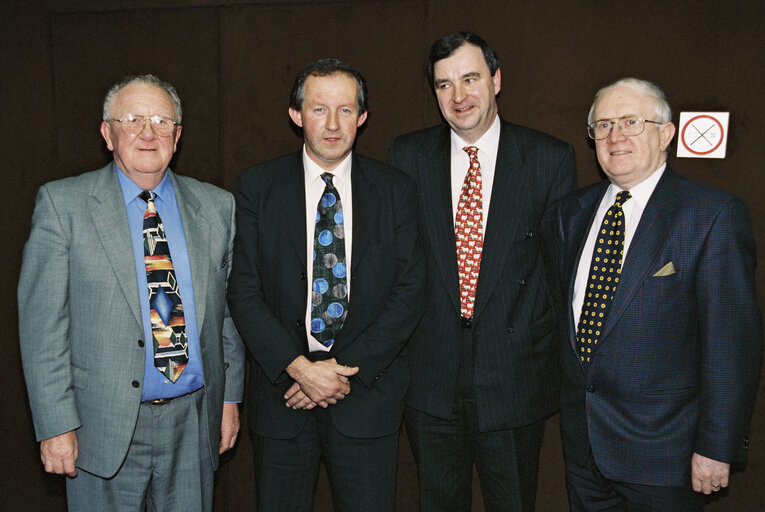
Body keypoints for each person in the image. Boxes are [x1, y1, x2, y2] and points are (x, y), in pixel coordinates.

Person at [18, 74, 245, 511]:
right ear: (108, 132)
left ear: (177, 137)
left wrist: (230, 399)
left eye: (162, 121)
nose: (147, 133)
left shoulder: (218, 207)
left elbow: (227, 318)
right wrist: (54, 426)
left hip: (194, 423)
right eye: (133, 119)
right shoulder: (62, 205)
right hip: (98, 428)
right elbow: (41, 329)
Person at [387, 31, 577, 511]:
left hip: (514, 380)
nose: (459, 96)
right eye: (444, 84)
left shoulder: (549, 159)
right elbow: (395, 268)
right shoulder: (406, 157)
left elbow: (560, 277)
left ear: (496, 80)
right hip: (430, 381)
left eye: (470, 79)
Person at [554, 77, 762, 511]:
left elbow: (731, 345)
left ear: (666, 134)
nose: (616, 136)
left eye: (631, 121)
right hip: (584, 453)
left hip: (667, 458)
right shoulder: (571, 213)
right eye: (604, 125)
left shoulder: (711, 215)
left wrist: (717, 446)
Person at [227, 58, 425, 512]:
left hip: (365, 400)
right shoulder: (257, 187)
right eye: (319, 109)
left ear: (362, 117)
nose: (333, 125)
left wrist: (338, 373)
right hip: (283, 401)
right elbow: (243, 290)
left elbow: (411, 291)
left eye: (345, 110)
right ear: (296, 115)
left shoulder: (396, 190)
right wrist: (297, 366)